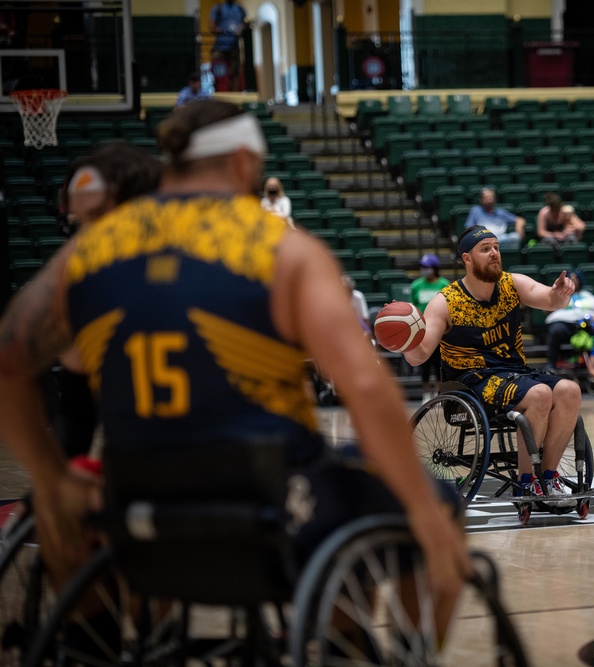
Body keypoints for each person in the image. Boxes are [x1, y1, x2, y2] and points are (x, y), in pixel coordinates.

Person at [0, 99, 469, 615]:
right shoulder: (282, 248)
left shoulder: (88, 251)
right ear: (244, 160)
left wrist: (50, 478)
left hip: (134, 499)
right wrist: (422, 511)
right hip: (266, 500)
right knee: (432, 503)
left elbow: (9, 363)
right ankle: (360, 645)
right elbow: (364, 382)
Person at [402, 225, 579, 500]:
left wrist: (560, 294)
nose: (494, 253)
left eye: (496, 247)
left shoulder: (512, 284)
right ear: (467, 259)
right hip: (472, 382)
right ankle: (526, 481)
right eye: (485, 249)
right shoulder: (445, 302)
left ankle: (548, 476)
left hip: (515, 374)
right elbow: (421, 354)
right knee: (541, 394)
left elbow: (548, 299)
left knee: (570, 390)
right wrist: (405, 342)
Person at [50, 143, 163, 459]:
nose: (86, 236)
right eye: (78, 222)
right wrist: (54, 480)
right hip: (137, 471)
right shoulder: (84, 283)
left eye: (98, 217)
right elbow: (75, 413)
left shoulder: (209, 265)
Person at [409, 253, 450, 402]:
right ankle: (426, 394)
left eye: (426, 267)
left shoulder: (444, 284)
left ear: (434, 268)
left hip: (441, 332)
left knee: (439, 364)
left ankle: (439, 394)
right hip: (422, 330)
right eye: (422, 267)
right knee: (424, 365)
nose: (424, 270)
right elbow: (412, 307)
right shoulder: (416, 285)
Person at [543, 271, 594, 371]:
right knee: (555, 330)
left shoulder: (587, 295)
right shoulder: (560, 293)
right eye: (571, 278)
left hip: (584, 326)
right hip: (563, 324)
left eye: (576, 278)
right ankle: (551, 363)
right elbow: (546, 308)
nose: (573, 280)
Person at [208, 0, 247, 92]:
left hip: (234, 47)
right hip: (220, 47)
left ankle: (233, 92)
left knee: (235, 73)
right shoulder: (218, 8)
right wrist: (219, 30)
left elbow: (245, 23)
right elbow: (211, 25)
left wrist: (240, 29)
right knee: (219, 74)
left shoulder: (240, 9)